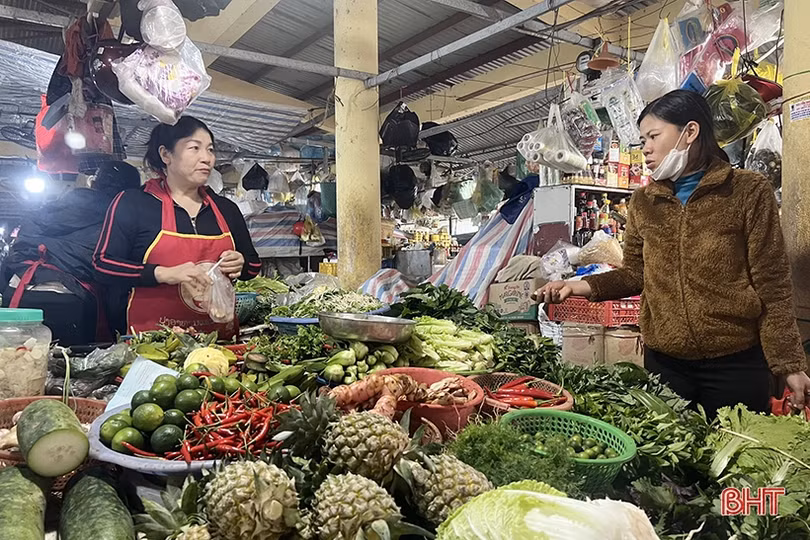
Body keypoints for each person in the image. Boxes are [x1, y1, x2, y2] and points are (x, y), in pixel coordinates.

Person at [536, 90, 810, 417]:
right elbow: (634, 273)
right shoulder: (644, 203)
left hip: (735, 363)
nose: (646, 149)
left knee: (732, 460)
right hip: (665, 364)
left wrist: (789, 364)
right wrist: (578, 287)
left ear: (690, 132)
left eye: (653, 136)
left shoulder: (747, 191)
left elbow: (773, 283)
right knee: (670, 459)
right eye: (641, 141)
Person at [93, 116, 260, 337]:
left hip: (219, 343)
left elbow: (253, 267)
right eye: (194, 148)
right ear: (166, 155)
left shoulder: (226, 209)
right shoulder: (133, 203)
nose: (206, 158)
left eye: (210, 150)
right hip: (153, 344)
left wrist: (241, 263)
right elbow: (102, 264)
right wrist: (164, 273)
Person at [1, 161, 141, 344]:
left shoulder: (49, 208)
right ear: (131, 194)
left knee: (20, 364)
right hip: (72, 302)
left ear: (92, 184)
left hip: (17, 295)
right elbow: (115, 285)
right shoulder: (118, 221)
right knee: (71, 367)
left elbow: (13, 257)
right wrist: (119, 331)